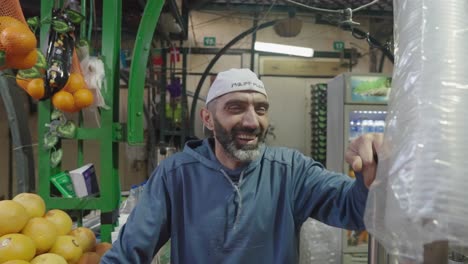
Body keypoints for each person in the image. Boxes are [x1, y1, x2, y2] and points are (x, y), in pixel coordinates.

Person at [101, 68, 383, 264]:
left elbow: (354, 211)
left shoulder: (290, 171)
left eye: (261, 109)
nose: (252, 121)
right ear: (208, 119)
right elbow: (129, 253)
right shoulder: (176, 175)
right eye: (236, 108)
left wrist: (368, 181)